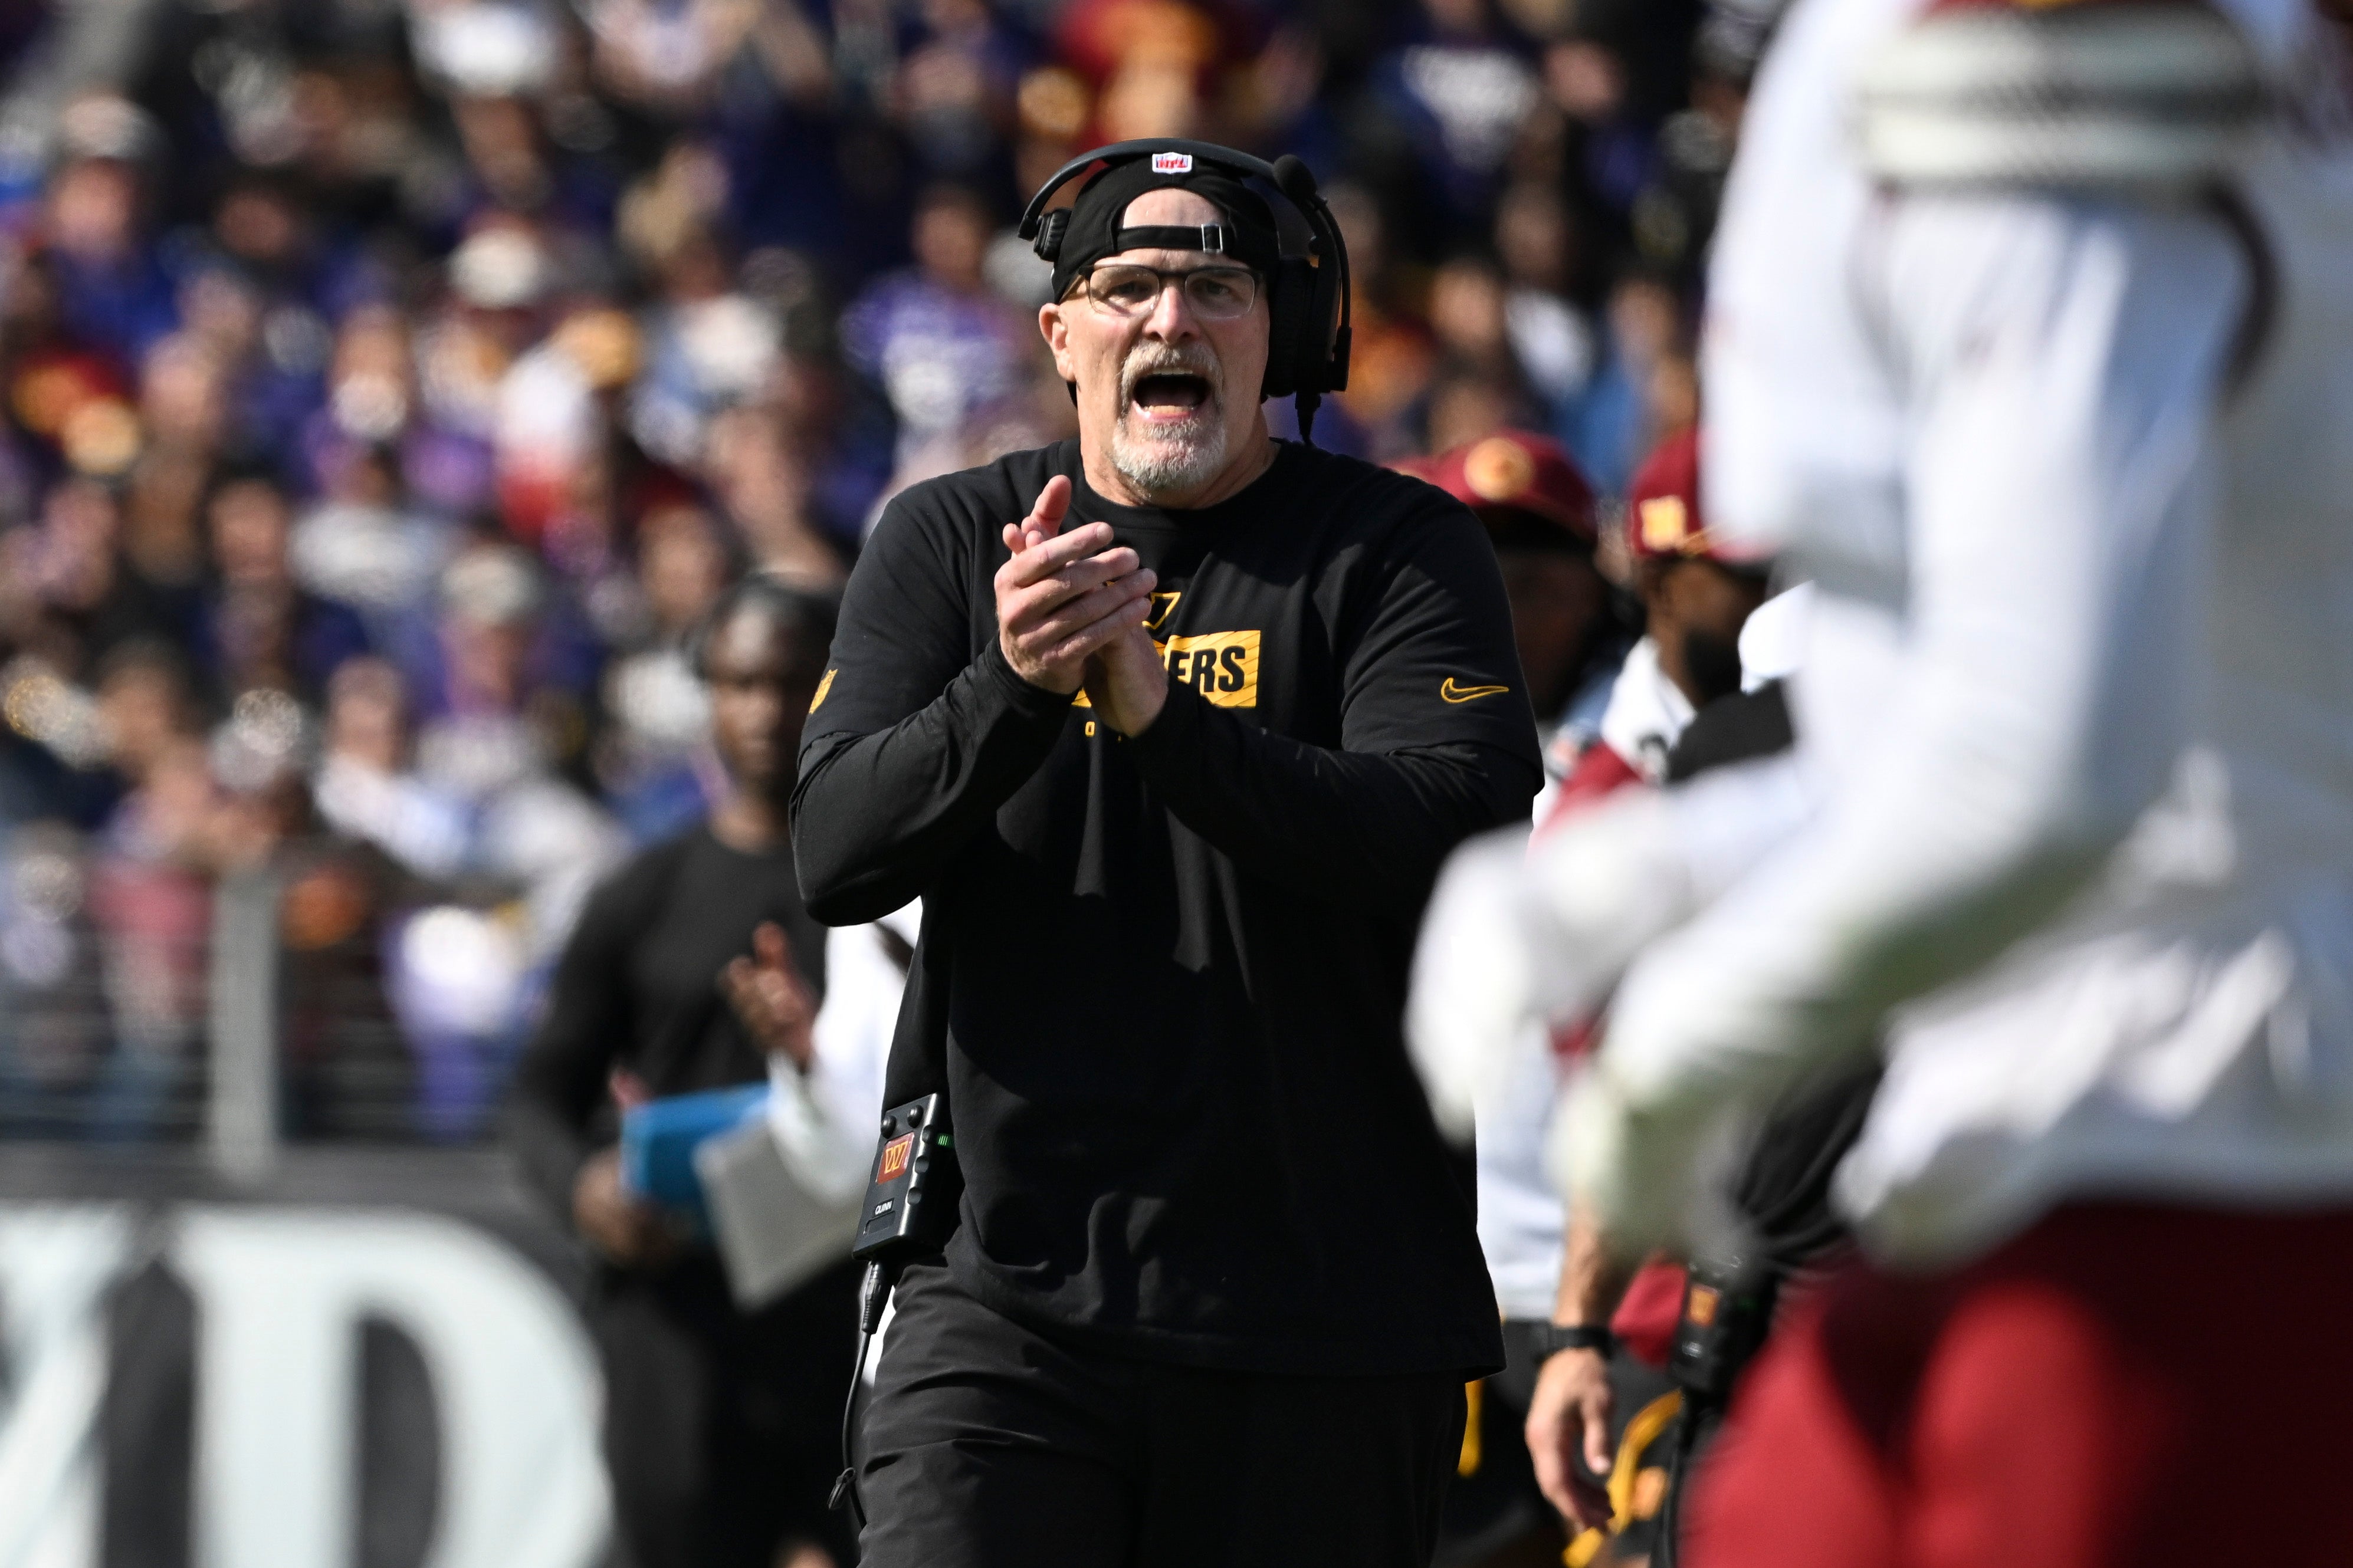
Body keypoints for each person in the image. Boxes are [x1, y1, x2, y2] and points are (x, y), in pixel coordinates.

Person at [1423, 2, 2353, 1564]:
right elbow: (1986, 696)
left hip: (2182, 1151)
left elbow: (2054, 764)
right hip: (2000, 1144)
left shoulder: (2022, 39)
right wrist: (1646, 873)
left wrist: (1671, 1065)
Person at [795, 143, 1540, 1567]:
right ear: (1061, 336)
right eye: (1127, 286)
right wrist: (1014, 684)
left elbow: (1457, 838)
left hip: (1325, 1307)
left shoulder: (1399, 549)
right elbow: (836, 852)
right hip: (999, 1294)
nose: (1171, 320)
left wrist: (1158, 715)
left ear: (1284, 335)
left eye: (1216, 287)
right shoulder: (952, 542)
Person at [503, 576, 859, 1568]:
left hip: (848, 1313)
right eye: (740, 683)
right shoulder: (642, 893)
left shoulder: (894, 887)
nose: (764, 711)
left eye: (793, 682)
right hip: (678, 1313)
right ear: (706, 695)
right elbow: (541, 1091)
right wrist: (585, 1186)